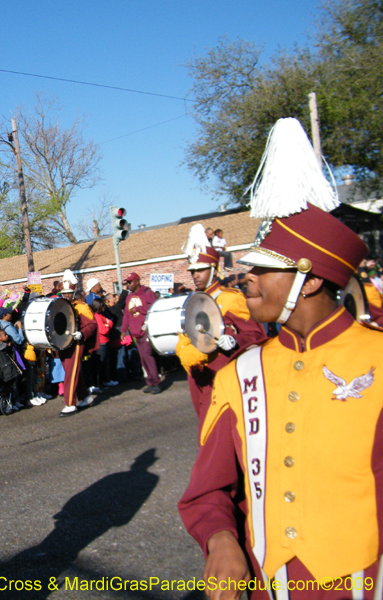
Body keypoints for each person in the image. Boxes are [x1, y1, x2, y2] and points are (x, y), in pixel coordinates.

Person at [178, 117, 379, 597]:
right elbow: (208, 490)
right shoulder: (241, 373)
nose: (248, 277)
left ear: (310, 280)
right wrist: (221, 538)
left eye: (265, 270)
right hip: (271, 585)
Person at [176, 224, 267, 425]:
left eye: (200, 270)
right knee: (205, 429)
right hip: (198, 374)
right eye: (193, 271)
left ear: (213, 269)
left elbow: (257, 336)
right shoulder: (191, 302)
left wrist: (235, 340)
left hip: (223, 374)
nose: (195, 275)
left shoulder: (231, 299)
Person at [57, 270, 98, 416]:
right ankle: (85, 396)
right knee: (72, 372)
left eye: (69, 292)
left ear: (73, 293)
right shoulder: (59, 307)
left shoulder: (81, 307)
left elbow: (92, 325)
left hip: (76, 343)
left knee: (70, 372)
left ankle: (70, 404)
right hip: (63, 344)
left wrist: (82, 333)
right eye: (64, 293)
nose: (66, 295)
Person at [122, 273, 161, 394]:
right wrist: (124, 330)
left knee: (148, 356)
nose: (128, 285)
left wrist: (139, 309)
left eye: (130, 282)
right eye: (127, 283)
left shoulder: (147, 292)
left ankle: (156, 382)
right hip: (135, 332)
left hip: (146, 330)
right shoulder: (129, 297)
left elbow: (154, 307)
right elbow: (127, 315)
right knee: (143, 358)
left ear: (137, 282)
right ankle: (150, 381)